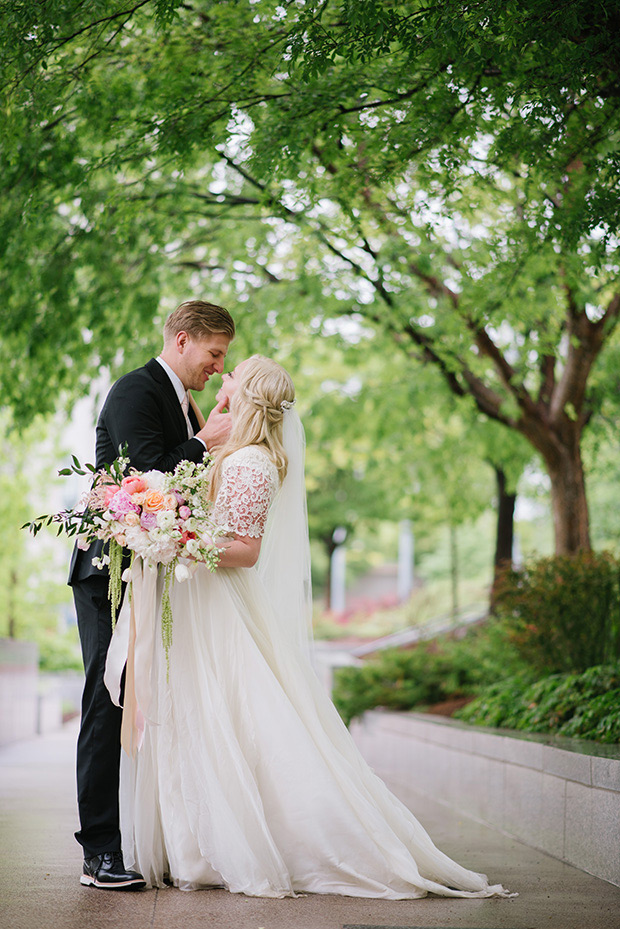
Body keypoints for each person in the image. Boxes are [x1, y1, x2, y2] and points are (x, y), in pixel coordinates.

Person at [106, 354, 512, 900]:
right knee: (201, 719)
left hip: (219, 604)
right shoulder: (234, 453)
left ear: (250, 398)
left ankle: (243, 844)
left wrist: (174, 538)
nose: (224, 380)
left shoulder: (252, 463)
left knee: (234, 718)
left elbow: (245, 552)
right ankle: (195, 845)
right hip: (199, 602)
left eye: (235, 377)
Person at [69, 300, 235, 890]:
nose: (219, 365)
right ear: (184, 340)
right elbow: (145, 480)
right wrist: (205, 441)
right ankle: (100, 853)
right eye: (214, 352)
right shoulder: (136, 391)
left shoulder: (185, 401)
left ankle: (161, 838)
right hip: (109, 570)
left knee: (149, 701)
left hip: (155, 568)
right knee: (108, 698)